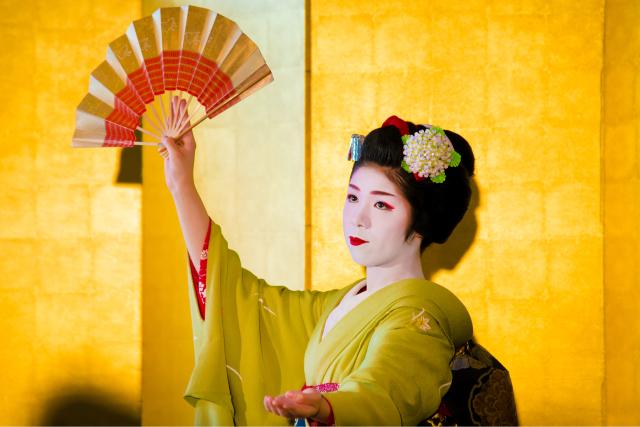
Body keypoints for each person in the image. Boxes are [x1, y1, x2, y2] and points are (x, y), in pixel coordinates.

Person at [159, 97, 475, 425]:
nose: (358, 218)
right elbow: (240, 298)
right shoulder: (337, 305)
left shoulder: (419, 321)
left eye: (382, 205)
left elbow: (387, 388)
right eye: (353, 197)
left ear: (423, 220)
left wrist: (328, 408)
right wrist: (181, 185)